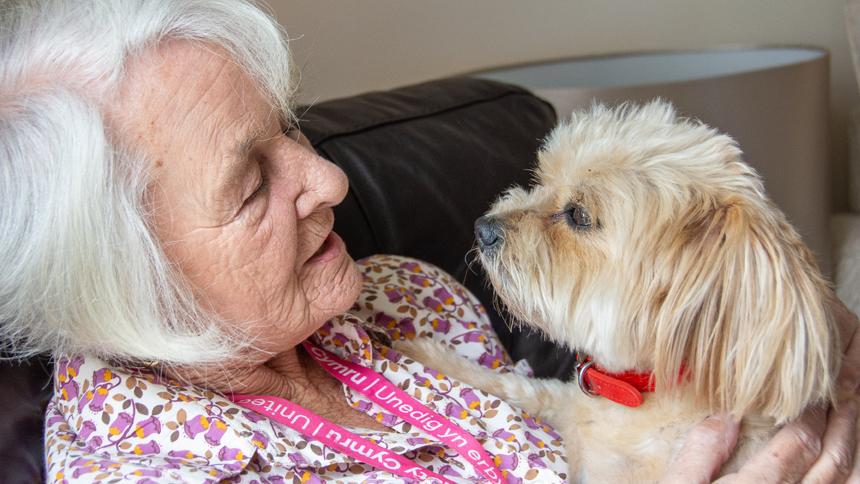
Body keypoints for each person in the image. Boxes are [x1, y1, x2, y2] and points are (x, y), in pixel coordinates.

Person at [1, 1, 858, 482]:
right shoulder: (163, 472)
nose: (328, 180)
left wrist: (803, 340)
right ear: (131, 282)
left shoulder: (395, 292)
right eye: (252, 182)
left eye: (290, 130)